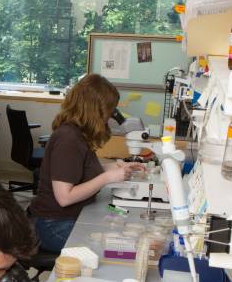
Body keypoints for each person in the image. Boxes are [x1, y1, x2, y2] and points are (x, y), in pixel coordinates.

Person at [28, 74, 145, 252]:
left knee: (126, 219)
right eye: (109, 111)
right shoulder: (68, 139)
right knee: (115, 246)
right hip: (52, 225)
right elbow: (64, 197)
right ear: (95, 110)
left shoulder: (77, 134)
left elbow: (78, 171)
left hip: (71, 215)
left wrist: (115, 168)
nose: (110, 117)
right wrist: (107, 177)